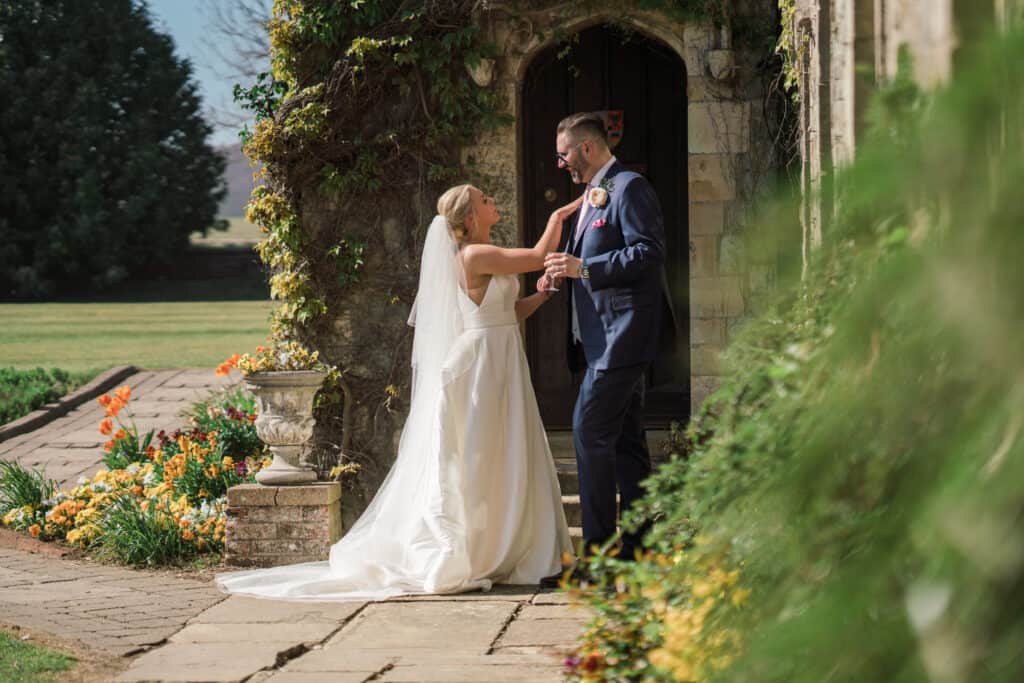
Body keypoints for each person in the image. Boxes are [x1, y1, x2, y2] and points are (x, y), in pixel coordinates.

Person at [216, 186, 582, 600]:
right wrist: (559, 218)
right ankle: (476, 547)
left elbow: (508, 313)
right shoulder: (473, 256)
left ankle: (505, 541)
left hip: (502, 358)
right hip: (480, 365)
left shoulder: (484, 253)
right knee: (479, 451)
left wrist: (543, 295)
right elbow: (537, 257)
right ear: (468, 218)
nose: (492, 200)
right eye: (483, 200)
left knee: (504, 448)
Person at [543, 112, 668, 571]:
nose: (560, 164)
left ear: (587, 149)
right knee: (625, 443)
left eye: (564, 154)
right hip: (600, 340)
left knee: (588, 431)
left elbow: (649, 252)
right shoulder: (593, 197)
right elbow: (589, 259)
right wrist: (562, 272)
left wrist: (586, 269)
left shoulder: (628, 187)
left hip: (623, 337)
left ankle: (599, 559)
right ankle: (637, 552)